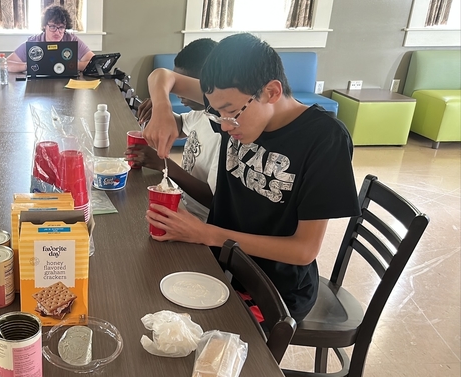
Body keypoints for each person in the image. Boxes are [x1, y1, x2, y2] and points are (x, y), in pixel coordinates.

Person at [142, 33, 360, 322]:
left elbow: (304, 249)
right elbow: (162, 75)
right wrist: (162, 109)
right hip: (220, 261)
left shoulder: (324, 140)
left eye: (230, 113)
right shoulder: (230, 103)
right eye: (217, 112)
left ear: (271, 91)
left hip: (272, 289)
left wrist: (206, 233)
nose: (223, 124)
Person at [126, 39, 220, 221]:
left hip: (200, 220)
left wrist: (164, 164)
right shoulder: (201, 113)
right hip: (181, 202)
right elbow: (178, 124)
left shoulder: (223, 131)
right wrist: (161, 110)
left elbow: (213, 199)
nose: (177, 93)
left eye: (182, 87)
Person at [6, 5, 95, 73]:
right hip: (39, 87)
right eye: (52, 27)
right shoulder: (34, 42)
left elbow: (94, 63)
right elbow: (5, 64)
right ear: (44, 26)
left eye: (61, 27)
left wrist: (70, 65)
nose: (57, 32)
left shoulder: (71, 39)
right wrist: (29, 66)